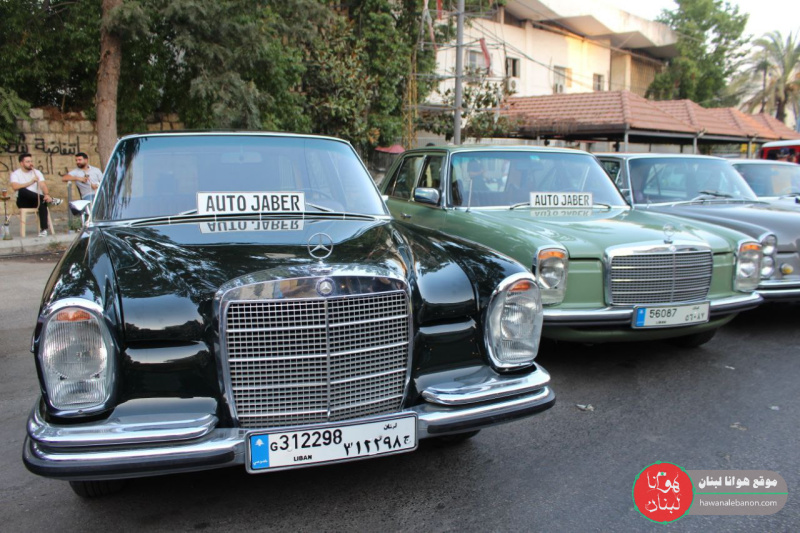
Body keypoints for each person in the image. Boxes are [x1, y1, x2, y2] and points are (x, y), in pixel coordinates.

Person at [9, 153, 62, 236]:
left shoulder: (37, 172)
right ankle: (50, 199)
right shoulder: (15, 174)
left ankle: (43, 230)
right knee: (22, 190)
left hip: (36, 200)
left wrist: (46, 194)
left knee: (42, 203)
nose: (30, 163)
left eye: (31, 161)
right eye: (27, 162)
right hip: (23, 202)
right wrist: (31, 182)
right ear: (21, 163)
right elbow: (15, 187)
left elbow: (43, 185)